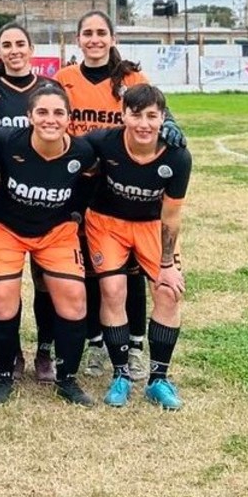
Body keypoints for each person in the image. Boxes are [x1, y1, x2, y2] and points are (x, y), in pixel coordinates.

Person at [54, 11, 186, 381]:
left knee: (130, 273)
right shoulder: (64, 78)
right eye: (87, 33)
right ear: (77, 39)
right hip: (82, 183)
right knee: (96, 273)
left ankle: (137, 346)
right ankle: (97, 345)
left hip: (124, 180)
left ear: (112, 38)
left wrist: (173, 127)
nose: (94, 39)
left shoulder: (131, 79)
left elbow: (161, 114)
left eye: (101, 33)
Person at [0, 84, 99, 407]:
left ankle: (67, 379)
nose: (50, 119)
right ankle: (4, 375)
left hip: (55, 230)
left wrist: (75, 213)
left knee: (74, 300)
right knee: (2, 299)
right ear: (29, 116)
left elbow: (92, 179)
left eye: (58, 112)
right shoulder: (6, 140)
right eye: (42, 112)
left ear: (69, 118)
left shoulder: (81, 152)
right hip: (4, 226)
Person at [81, 84, 191, 410]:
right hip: (106, 223)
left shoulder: (177, 156)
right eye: (136, 115)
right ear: (123, 115)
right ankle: (121, 374)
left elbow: (171, 216)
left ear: (163, 119)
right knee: (113, 290)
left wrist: (168, 263)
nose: (144, 124)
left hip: (151, 227)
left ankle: (158, 378)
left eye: (152, 117)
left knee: (168, 291)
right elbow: (65, 149)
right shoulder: (103, 142)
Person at [0, 23, 64, 383]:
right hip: (0, 195)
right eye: (6, 45)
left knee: (45, 279)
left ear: (31, 49)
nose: (14, 51)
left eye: (20, 44)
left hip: (44, 198)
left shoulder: (51, 89)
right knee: (1, 282)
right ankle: (10, 351)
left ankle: (45, 350)